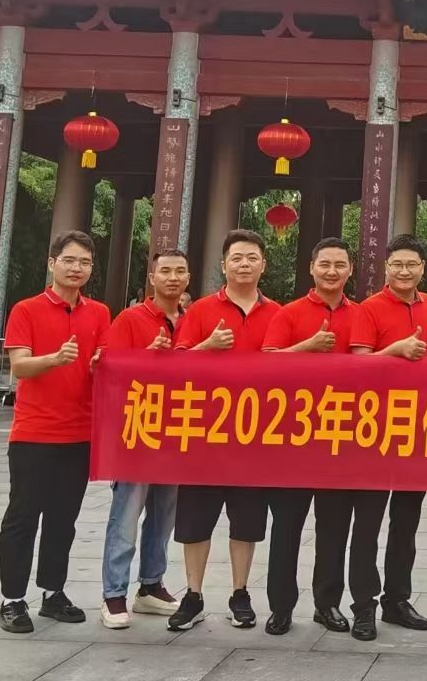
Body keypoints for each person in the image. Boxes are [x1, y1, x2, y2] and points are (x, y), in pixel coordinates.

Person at [0, 231, 111, 635]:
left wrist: (101, 362)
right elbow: (19, 366)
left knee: (64, 519)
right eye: (70, 260)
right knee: (23, 517)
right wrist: (56, 358)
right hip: (34, 434)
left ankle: (52, 593)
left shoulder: (100, 313)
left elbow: (103, 362)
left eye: (85, 262)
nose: (77, 268)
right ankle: (11, 600)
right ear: (52, 263)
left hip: (79, 434)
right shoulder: (26, 309)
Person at [168, 229, 280, 633]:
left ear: (263, 265)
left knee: (246, 521)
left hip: (255, 436)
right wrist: (208, 346)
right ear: (223, 265)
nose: (244, 264)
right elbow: (175, 367)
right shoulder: (200, 311)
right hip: (204, 434)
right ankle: (193, 595)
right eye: (236, 258)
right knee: (195, 520)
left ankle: (239, 592)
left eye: (252, 258)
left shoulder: (278, 314)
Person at [260, 237, 363, 638]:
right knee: (286, 527)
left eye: (339, 265)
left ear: (350, 270)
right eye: (325, 264)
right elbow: (266, 365)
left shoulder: (361, 314)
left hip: (341, 437)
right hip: (293, 439)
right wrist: (308, 347)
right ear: (312, 268)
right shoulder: (288, 313)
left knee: (334, 528)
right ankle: (281, 607)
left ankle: (327, 603)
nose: (332, 271)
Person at [350, 234, 427, 639]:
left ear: (423, 268)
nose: (404, 271)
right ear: (386, 268)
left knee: (406, 522)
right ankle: (363, 605)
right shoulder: (369, 308)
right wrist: (396, 350)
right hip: (374, 429)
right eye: (397, 264)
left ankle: (397, 599)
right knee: (368, 523)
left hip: (417, 429)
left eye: (412, 264)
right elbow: (357, 365)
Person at [98, 249, 189, 629]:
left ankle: (151, 585)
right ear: (152, 278)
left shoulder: (192, 320)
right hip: (137, 431)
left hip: (178, 431)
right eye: (165, 271)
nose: (173, 277)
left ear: (188, 278)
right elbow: (108, 370)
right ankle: (114, 594)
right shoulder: (130, 319)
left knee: (164, 515)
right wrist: (145, 357)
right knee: (127, 514)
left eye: (180, 271)